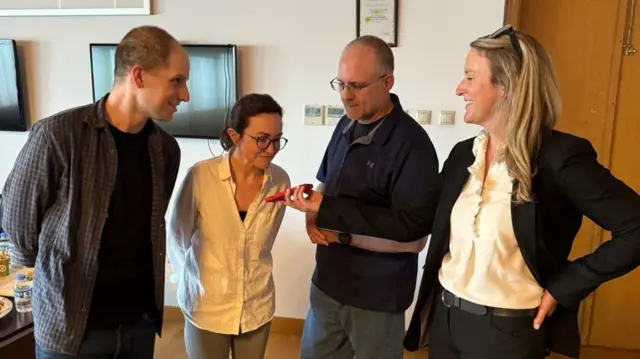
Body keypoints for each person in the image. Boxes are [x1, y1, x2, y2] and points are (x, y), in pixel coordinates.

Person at [403, 25, 640, 359]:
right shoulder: (462, 155)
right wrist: (327, 210)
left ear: (507, 85)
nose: (459, 88)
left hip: (507, 335)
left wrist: (564, 287)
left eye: (470, 77)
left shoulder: (560, 158)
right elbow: (417, 220)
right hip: (447, 321)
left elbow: (635, 227)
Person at [1, 25, 188, 358]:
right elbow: (18, 224)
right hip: (70, 331)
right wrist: (52, 272)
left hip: (138, 326)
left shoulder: (166, 150)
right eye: (177, 80)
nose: (185, 95)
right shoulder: (57, 137)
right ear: (139, 76)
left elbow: (149, 227)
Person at [284, 35, 441, 359]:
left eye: (355, 85)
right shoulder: (345, 123)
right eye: (339, 84)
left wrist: (340, 232)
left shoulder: (414, 146)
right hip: (327, 283)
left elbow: (413, 236)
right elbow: (325, 182)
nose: (345, 95)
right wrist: (312, 214)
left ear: (387, 82)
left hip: (377, 297)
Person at [167, 93, 291, 359]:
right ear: (235, 136)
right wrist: (189, 284)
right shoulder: (201, 177)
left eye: (277, 139)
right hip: (207, 307)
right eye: (262, 139)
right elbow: (177, 238)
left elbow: (265, 244)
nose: (271, 148)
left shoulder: (280, 181)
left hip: (257, 306)